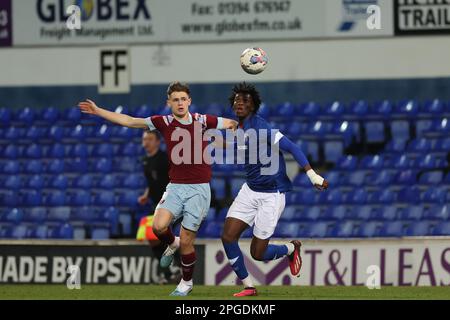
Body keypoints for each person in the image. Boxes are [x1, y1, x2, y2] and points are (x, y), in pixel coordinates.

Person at [78, 81, 238, 296]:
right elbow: (130, 121)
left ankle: (186, 283)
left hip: (199, 190)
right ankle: (173, 243)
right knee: (158, 227)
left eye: (183, 99)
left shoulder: (203, 120)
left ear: (189, 101)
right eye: (176, 100)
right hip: (175, 187)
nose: (180, 103)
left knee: (188, 242)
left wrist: (238, 129)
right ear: (169, 103)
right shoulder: (163, 122)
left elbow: (230, 123)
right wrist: (99, 111)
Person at [221, 82, 329, 297]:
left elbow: (292, 147)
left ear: (253, 106)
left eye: (245, 100)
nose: (240, 103)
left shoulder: (263, 129)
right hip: (250, 191)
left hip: (271, 195)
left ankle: (290, 248)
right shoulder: (237, 128)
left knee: (258, 253)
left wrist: (312, 175)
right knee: (227, 237)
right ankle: (249, 287)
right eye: (237, 100)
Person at [136, 129, 180, 284]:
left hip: (169, 203)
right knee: (153, 239)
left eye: (149, 139)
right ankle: (169, 273)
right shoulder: (146, 160)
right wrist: (146, 195)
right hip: (155, 204)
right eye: (144, 139)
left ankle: (176, 268)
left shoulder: (164, 159)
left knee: (162, 236)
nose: (146, 142)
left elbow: (175, 177)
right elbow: (151, 182)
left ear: (157, 141)